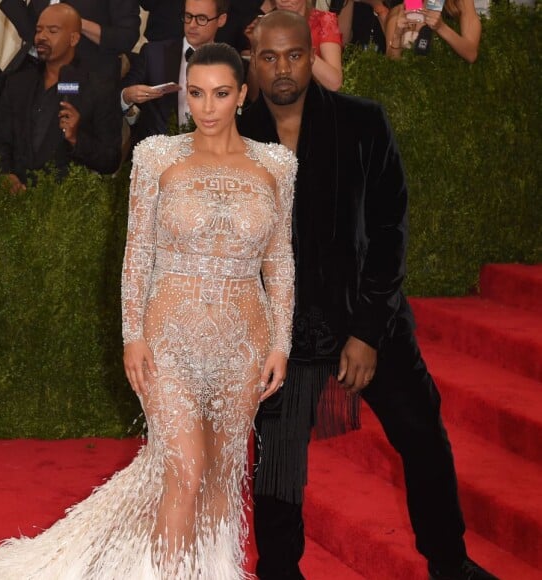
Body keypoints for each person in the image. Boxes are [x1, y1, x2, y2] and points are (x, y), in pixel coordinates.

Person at [0, 41, 297, 578]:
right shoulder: (156, 155)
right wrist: (132, 335)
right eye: (196, 93)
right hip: (168, 335)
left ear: (241, 95)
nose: (207, 107)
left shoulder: (277, 165)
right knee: (185, 471)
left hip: (245, 340)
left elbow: (278, 261)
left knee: (221, 474)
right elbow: (137, 252)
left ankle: (211, 571)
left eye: (220, 94)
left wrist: (281, 342)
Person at [238, 10, 497, 580]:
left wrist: (365, 332)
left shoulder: (363, 122)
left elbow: (389, 229)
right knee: (277, 467)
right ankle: (280, 572)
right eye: (269, 57)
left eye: (295, 55)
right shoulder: (236, 138)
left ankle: (449, 563)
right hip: (281, 335)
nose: (283, 69)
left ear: (316, 55)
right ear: (252, 62)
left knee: (423, 435)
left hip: (368, 315)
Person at [0, 4, 122, 193]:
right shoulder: (17, 83)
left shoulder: (98, 88)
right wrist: (5, 174)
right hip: (15, 204)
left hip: (66, 209)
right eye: (38, 30)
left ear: (74, 38)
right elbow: (0, 141)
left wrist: (77, 139)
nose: (41, 36)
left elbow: (111, 160)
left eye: (52, 31)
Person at [121, 0, 228, 142]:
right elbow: (117, 97)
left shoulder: (230, 62)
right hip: (157, 154)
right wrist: (127, 96)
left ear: (221, 20)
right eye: (188, 16)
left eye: (201, 19)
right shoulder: (154, 54)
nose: (192, 25)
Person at [0, 0, 140, 81]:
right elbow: (32, 34)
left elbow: (126, 38)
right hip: (43, 79)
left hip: (89, 82)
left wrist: (77, 22)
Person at [246, 0, 343, 100]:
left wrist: (298, 42)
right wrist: (255, 46)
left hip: (316, 104)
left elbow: (334, 83)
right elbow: (254, 96)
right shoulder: (267, 25)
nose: (284, 1)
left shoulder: (324, 21)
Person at [385, 0, 481, 62]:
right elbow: (392, 65)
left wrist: (441, 28)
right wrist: (398, 33)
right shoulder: (402, 8)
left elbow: (471, 54)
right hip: (411, 87)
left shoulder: (461, 4)